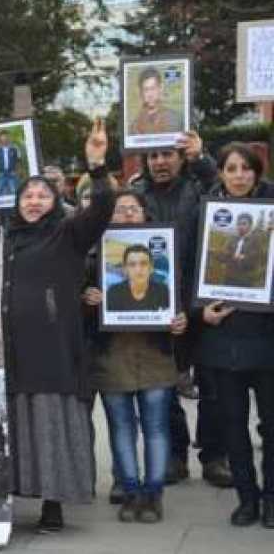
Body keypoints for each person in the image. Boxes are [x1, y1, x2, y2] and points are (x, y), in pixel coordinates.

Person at [0, 118, 113, 533]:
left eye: (43, 195)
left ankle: (53, 504)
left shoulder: (67, 234)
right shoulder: (4, 237)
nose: (34, 201)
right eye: (27, 195)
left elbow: (101, 210)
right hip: (10, 352)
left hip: (53, 352)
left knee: (50, 427)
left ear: (57, 199)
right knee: (16, 427)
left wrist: (97, 168)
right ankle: (7, 503)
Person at [129, 130, 227, 488]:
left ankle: (215, 456)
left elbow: (224, 189)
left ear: (181, 157)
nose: (160, 162)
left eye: (167, 154)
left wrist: (202, 158)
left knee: (213, 386)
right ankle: (174, 457)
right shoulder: (136, 193)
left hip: (204, 301)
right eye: (153, 156)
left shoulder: (200, 187)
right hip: (158, 304)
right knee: (163, 385)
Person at [87, 191, 187, 523]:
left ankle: (153, 494)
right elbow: (75, 302)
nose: (127, 214)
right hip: (111, 357)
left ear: (145, 214)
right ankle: (130, 490)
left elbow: (183, 300)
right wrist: (87, 297)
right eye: (120, 209)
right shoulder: (93, 257)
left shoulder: (165, 273)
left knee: (157, 427)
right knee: (121, 427)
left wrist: (181, 318)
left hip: (155, 356)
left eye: (134, 209)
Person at [195, 142, 274, 528]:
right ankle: (247, 498)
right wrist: (199, 312)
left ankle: (272, 499)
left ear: (257, 173)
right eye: (231, 168)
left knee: (273, 426)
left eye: (246, 168)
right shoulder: (205, 217)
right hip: (222, 339)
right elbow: (188, 268)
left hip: (267, 336)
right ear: (221, 174)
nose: (239, 175)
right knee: (232, 426)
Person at [105, 245, 170, 312]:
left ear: (151, 268)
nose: (138, 270)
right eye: (132, 264)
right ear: (125, 269)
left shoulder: (163, 291)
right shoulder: (113, 293)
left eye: (144, 264)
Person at [130, 67, 182, 135]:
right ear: (141, 92)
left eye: (153, 88)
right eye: (146, 90)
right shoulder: (135, 126)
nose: (150, 95)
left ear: (160, 88)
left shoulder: (176, 119)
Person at [223, 213, 265, 288]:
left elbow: (257, 258)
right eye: (239, 224)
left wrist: (243, 258)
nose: (241, 226)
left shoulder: (256, 240)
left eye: (244, 224)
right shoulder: (232, 239)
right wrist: (228, 255)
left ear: (250, 225)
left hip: (246, 279)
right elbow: (225, 253)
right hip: (229, 277)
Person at [0, 130, 21, 197]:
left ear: (8, 138)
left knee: (14, 191)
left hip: (12, 172)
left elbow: (18, 160)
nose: (4, 139)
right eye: (2, 138)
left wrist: (17, 171)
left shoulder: (14, 149)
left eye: (6, 137)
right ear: (0, 139)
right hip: (1, 173)